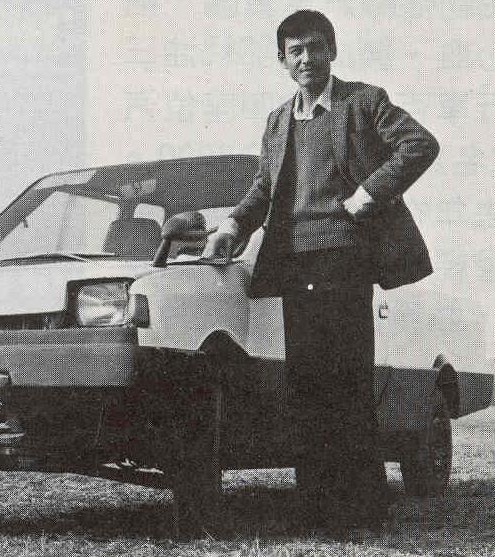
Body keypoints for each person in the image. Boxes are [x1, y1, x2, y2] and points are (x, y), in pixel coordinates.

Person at [203, 10, 439, 531]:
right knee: (306, 386)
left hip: (345, 258)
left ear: (332, 50)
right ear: (282, 60)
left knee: (348, 381)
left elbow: (421, 144)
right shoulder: (277, 120)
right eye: (296, 51)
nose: (307, 58)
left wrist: (369, 194)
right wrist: (231, 227)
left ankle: (363, 510)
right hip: (292, 263)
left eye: (315, 47)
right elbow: (264, 190)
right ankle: (315, 509)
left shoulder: (364, 101)